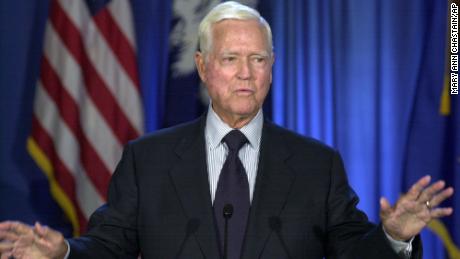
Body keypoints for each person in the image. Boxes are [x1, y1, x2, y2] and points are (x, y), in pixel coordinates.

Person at [0, 2, 454, 259]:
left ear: (271, 69)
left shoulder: (317, 164)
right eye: (231, 59)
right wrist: (61, 255)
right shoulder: (148, 160)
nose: (245, 74)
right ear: (202, 66)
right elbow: (108, 247)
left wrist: (394, 237)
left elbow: (356, 254)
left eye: (257, 60)